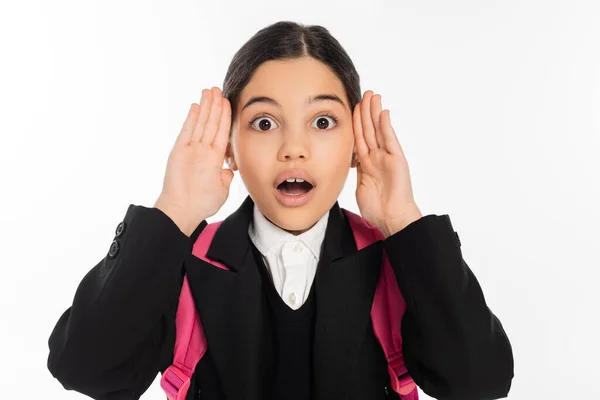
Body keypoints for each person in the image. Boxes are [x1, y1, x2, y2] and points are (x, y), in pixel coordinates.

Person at [47, 21, 514, 400]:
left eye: (323, 122)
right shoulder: (184, 259)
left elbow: (478, 382)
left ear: (356, 143)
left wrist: (402, 218)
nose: (294, 149)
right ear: (229, 145)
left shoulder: (399, 260)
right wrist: (175, 212)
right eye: (265, 122)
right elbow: (89, 369)